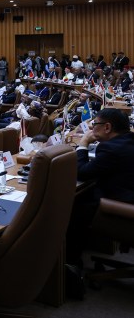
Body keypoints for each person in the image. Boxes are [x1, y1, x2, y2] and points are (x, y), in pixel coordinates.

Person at [67, 108, 134, 271]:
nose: (91, 129)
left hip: (123, 209)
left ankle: (70, 264)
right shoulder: (128, 141)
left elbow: (81, 173)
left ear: (107, 127)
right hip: (128, 196)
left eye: (94, 124)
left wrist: (83, 143)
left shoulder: (111, 149)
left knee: (70, 208)